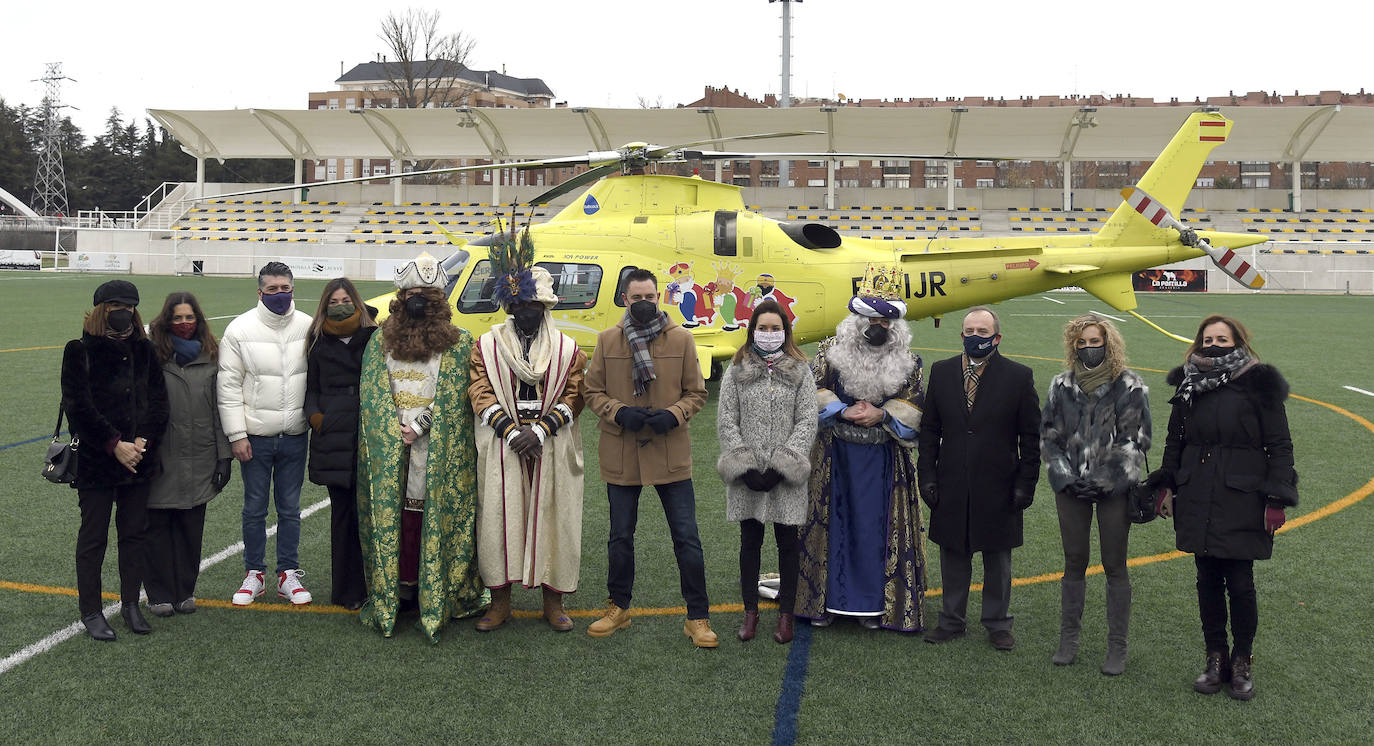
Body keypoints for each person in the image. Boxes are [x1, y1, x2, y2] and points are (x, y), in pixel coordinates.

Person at [1152, 315, 1296, 701]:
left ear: (1238, 342)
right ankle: (1215, 658)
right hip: (1197, 490)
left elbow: (1280, 444)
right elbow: (1175, 440)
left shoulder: (1258, 381)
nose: (1214, 345)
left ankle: (1242, 660)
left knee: (1240, 582)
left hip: (1242, 494)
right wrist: (1166, 485)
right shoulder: (1188, 381)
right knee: (1207, 580)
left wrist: (1276, 498)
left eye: (1222, 339)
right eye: (1208, 339)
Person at [582, 268, 716, 648]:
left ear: (660, 298)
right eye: (637, 298)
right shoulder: (607, 340)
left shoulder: (683, 339)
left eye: (650, 297)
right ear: (625, 299)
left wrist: (674, 414)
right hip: (622, 452)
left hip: (670, 451)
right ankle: (618, 608)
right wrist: (618, 411)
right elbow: (592, 391)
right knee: (620, 537)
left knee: (686, 537)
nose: (644, 303)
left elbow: (696, 392)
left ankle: (697, 617)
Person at [356, 253, 486, 640]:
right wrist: (391, 426)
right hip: (391, 440)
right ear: (401, 298)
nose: (419, 302)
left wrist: (419, 426)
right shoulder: (380, 340)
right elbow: (373, 390)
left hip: (436, 442)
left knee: (428, 512)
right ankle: (400, 590)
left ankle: (436, 590)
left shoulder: (459, 342)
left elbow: (455, 396)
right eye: (413, 294)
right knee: (397, 514)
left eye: (427, 296)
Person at [468, 233, 587, 632]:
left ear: (545, 307)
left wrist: (538, 432)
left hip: (550, 444)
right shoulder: (486, 345)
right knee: (498, 520)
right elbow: (479, 390)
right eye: (518, 306)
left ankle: (553, 604)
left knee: (554, 520)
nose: (525, 312)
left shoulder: (568, 349)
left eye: (532, 306)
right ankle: (500, 603)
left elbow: (575, 394)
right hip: (502, 444)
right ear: (509, 306)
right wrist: (510, 431)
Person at [794, 274, 926, 632]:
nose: (878, 326)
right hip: (833, 457)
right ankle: (826, 604)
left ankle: (871, 606)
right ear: (857, 319)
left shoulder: (909, 361)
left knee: (874, 530)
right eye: (871, 318)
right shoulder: (829, 351)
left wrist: (882, 415)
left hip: (884, 461)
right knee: (832, 527)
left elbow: (915, 405)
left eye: (885, 321)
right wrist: (842, 410)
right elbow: (809, 391)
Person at [917, 305, 1041, 651]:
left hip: (999, 483)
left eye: (982, 332)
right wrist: (927, 475)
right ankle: (951, 620)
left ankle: (998, 624)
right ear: (961, 335)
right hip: (952, 480)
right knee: (953, 552)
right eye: (970, 332)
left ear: (997, 338)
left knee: (997, 557)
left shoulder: (1018, 376)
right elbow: (930, 430)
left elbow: (1031, 437)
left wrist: (1025, 484)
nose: (975, 337)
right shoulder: (942, 371)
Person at [1040, 314, 1151, 674]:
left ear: (1109, 344)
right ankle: (1068, 640)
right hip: (1070, 487)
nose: (1089, 348)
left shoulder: (1130, 385)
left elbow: (1136, 440)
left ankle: (1117, 646)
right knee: (1074, 560)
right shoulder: (1061, 384)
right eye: (1082, 343)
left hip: (1114, 489)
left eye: (1095, 342)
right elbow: (1049, 436)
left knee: (1114, 564)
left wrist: (1105, 480)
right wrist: (1064, 475)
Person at [60, 280, 169, 640]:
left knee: (134, 535)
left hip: (138, 461)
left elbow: (159, 403)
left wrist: (141, 441)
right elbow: (78, 407)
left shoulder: (145, 349)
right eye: (117, 306)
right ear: (102, 309)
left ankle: (131, 605)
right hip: (96, 463)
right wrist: (114, 444)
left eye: (130, 306)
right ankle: (91, 611)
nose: (125, 312)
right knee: (93, 538)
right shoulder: (79, 350)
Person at [716, 300, 818, 643]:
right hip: (748, 475)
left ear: (785, 332)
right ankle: (750, 612)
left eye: (776, 328)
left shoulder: (801, 371)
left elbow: (807, 421)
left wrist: (782, 466)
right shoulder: (737, 369)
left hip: (785, 477)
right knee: (750, 542)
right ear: (753, 330)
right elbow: (727, 420)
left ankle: (786, 613)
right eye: (764, 328)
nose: (770, 334)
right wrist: (744, 466)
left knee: (788, 543)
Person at [219, 261, 314, 606]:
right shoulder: (239, 330)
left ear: (293, 289)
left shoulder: (308, 326)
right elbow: (228, 386)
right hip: (255, 438)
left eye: (285, 288)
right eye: (272, 289)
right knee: (254, 508)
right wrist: (236, 434)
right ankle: (254, 573)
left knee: (290, 508)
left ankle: (287, 574)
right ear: (260, 293)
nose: (279, 294)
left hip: (295, 436)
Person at [144, 292, 232, 618]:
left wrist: (224, 456)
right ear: (167, 320)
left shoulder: (212, 356)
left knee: (190, 530)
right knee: (157, 528)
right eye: (178, 318)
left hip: (200, 457)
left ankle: (184, 591)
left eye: (189, 317)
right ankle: (158, 593)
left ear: (198, 320)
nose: (184, 323)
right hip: (161, 457)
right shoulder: (152, 355)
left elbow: (221, 410)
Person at [304, 277, 378, 610]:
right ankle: (347, 591)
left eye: (345, 300)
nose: (340, 306)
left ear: (356, 301)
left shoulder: (374, 336)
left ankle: (378, 585)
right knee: (343, 515)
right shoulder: (317, 339)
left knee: (371, 515)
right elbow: (312, 387)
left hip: (367, 430)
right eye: (333, 302)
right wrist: (315, 417)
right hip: (333, 434)